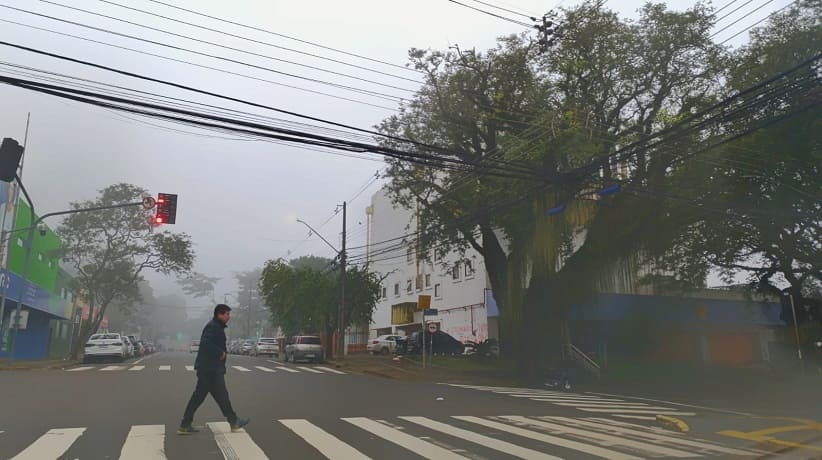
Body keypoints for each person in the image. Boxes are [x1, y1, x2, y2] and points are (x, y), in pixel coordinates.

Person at [178, 304, 249, 434]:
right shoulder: (213, 327)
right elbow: (205, 342)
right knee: (206, 397)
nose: (229, 317)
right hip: (210, 369)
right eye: (227, 314)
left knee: (216, 396)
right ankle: (185, 425)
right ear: (219, 314)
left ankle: (233, 421)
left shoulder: (216, 326)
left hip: (211, 369)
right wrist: (219, 352)